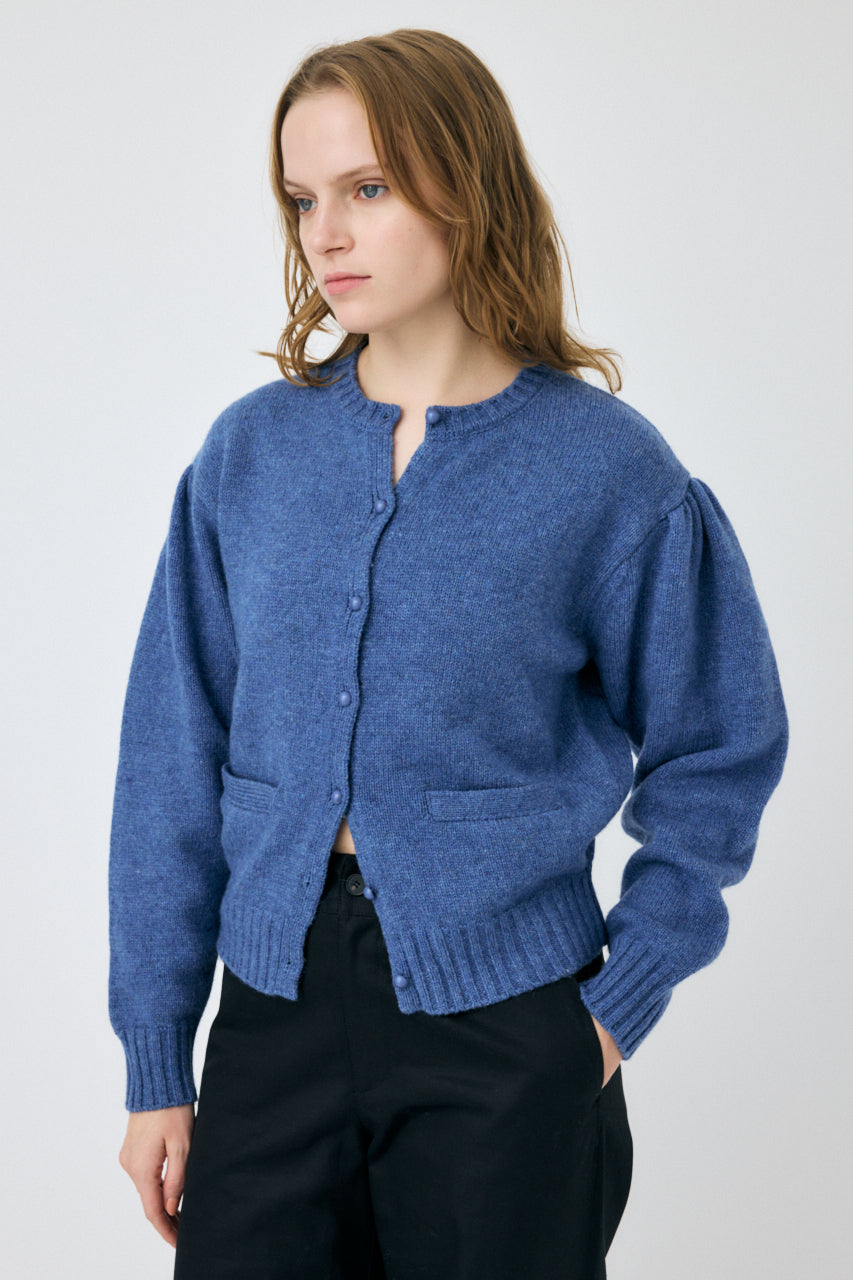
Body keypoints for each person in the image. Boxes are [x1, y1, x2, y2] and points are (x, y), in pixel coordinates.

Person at [108, 27, 789, 1280]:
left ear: (466, 186)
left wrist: (612, 1007)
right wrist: (157, 1054)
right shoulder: (250, 455)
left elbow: (719, 749)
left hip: (510, 1032)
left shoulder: (606, 472)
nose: (326, 234)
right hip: (270, 1014)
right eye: (302, 199)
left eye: (366, 188)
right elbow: (170, 757)